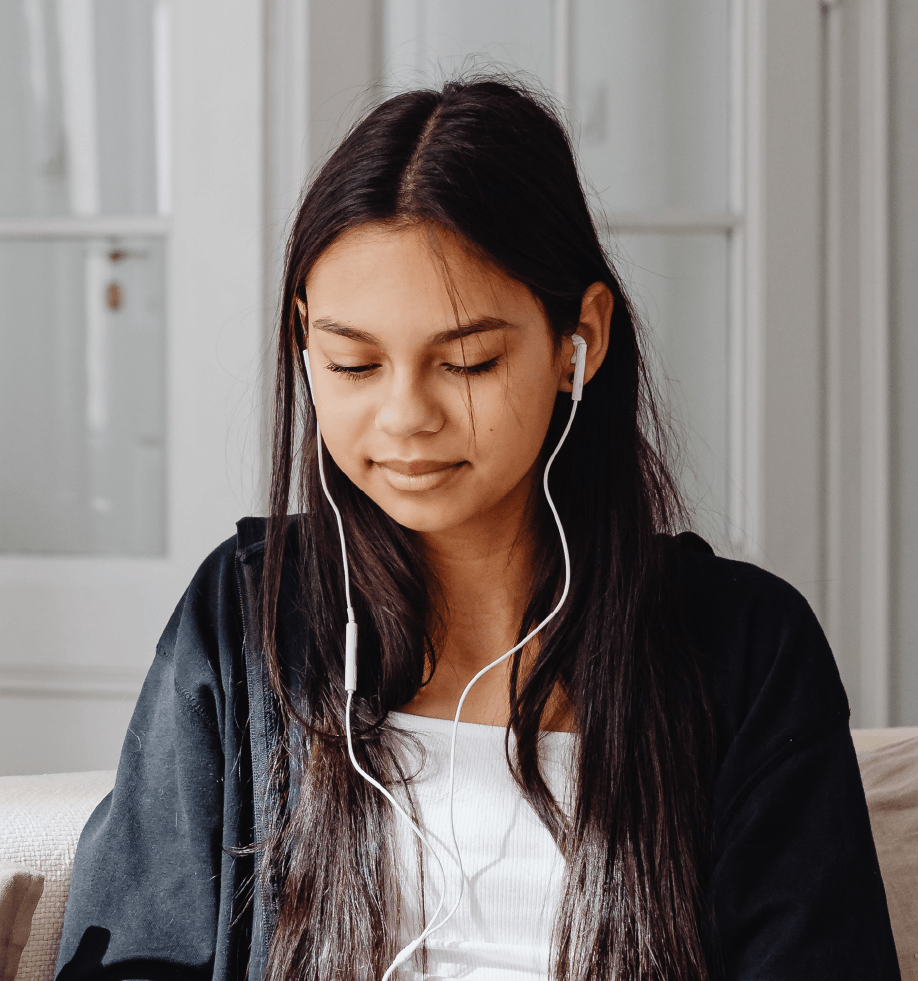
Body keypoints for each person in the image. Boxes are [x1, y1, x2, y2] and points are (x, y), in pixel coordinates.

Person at [55, 78, 900, 981]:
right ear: (305, 341)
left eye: (465, 361)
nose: (405, 415)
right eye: (353, 362)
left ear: (582, 339)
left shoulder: (747, 652)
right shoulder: (244, 621)